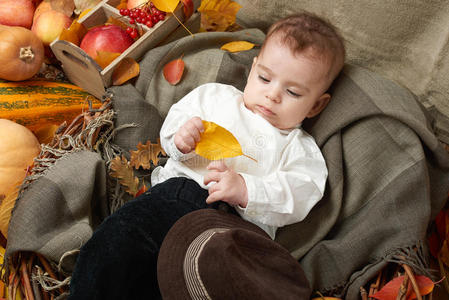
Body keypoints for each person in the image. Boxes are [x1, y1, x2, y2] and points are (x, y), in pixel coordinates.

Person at [67, 12, 345, 300]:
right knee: (117, 245)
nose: (272, 95)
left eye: (292, 92)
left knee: (185, 287)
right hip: (177, 197)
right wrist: (181, 139)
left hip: (233, 233)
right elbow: (174, 126)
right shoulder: (215, 98)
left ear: (316, 106)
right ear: (252, 71)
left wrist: (248, 191)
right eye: (264, 78)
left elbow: (299, 194)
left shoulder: (300, 149)